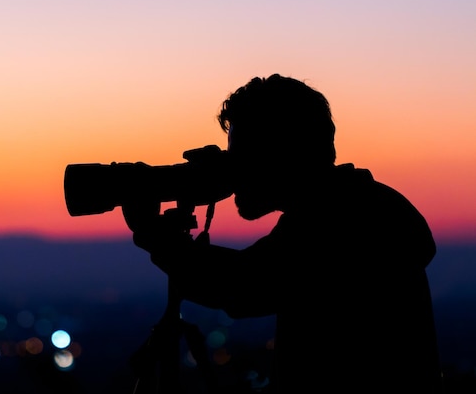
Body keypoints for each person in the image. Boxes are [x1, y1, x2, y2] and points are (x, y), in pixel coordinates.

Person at [122, 74, 443, 393]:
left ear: (280, 153)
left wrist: (156, 236)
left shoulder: (339, 218)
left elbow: (244, 286)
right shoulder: (361, 205)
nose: (235, 171)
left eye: (241, 156)